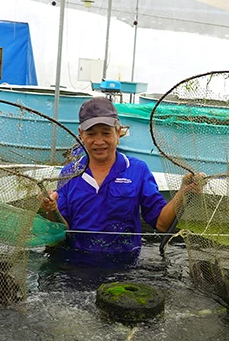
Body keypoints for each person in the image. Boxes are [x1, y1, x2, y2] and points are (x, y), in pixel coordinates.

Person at [40, 97, 200, 262]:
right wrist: (51, 209)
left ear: (118, 132)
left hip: (125, 265)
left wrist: (183, 192)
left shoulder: (137, 170)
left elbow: (161, 224)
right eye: (91, 134)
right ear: (81, 135)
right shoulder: (69, 173)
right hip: (75, 263)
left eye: (106, 133)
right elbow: (61, 229)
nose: (99, 141)